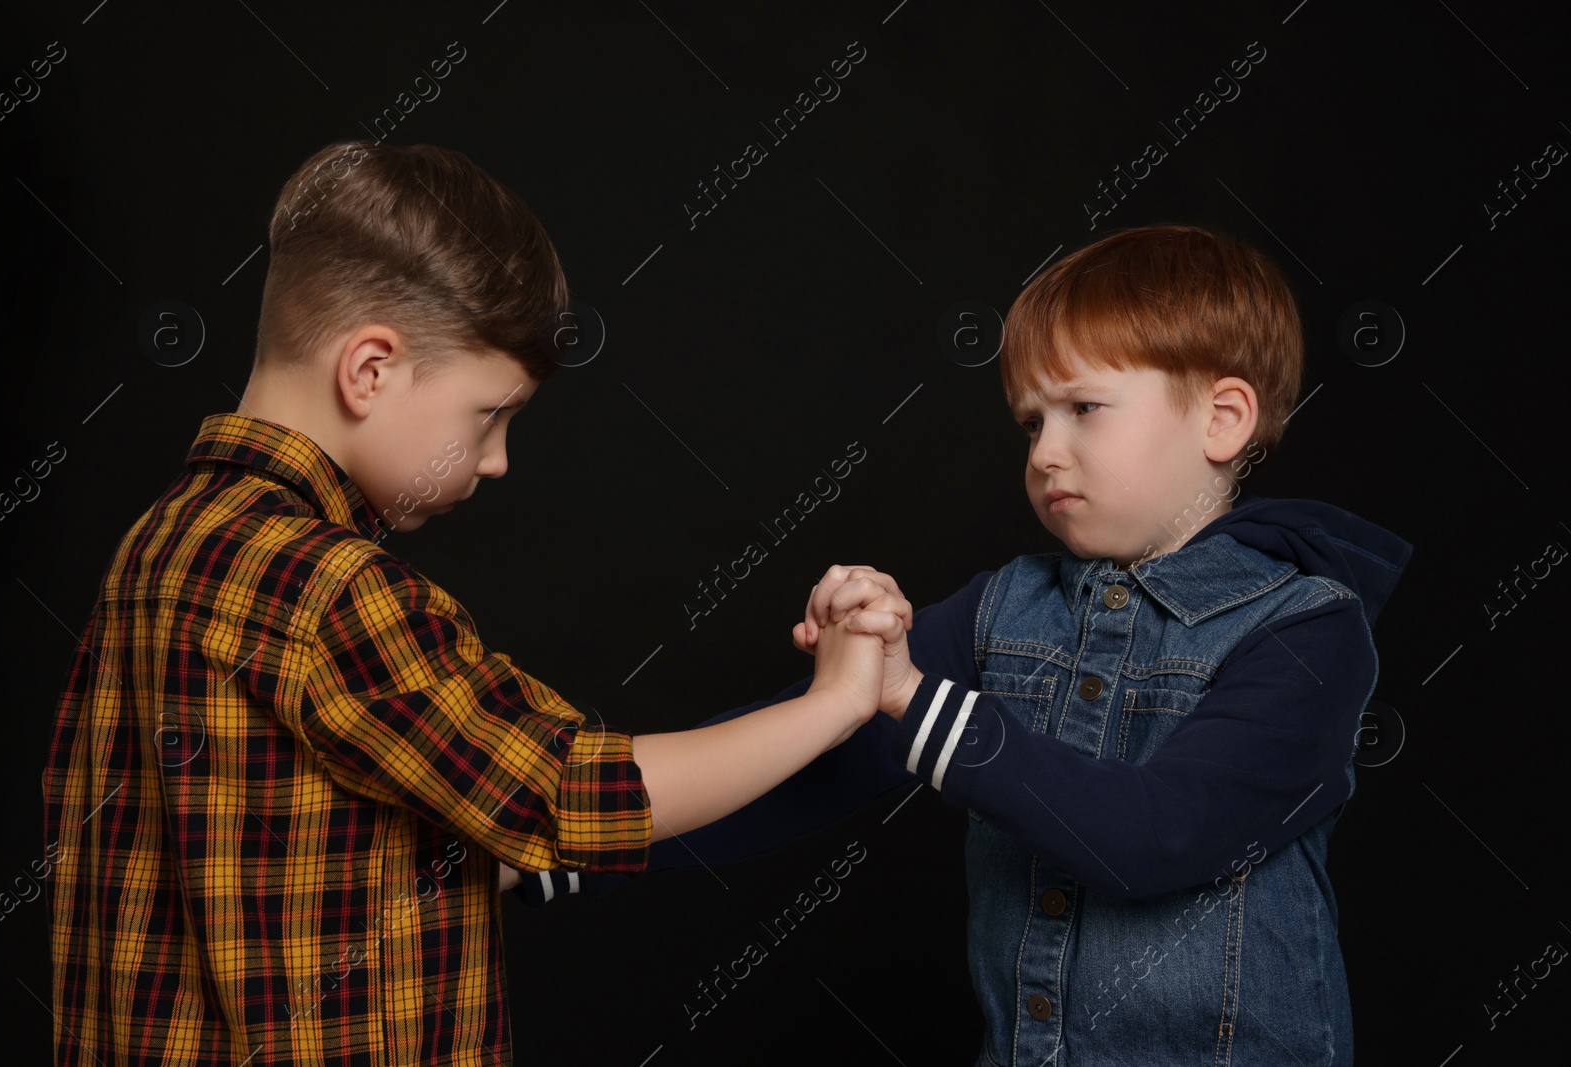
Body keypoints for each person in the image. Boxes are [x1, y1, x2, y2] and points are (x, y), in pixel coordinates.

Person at [39, 139, 906, 1067]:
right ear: (369, 369)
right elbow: (572, 794)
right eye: (489, 414)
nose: (495, 460)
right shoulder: (330, 588)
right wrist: (834, 702)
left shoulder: (158, 546)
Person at [527, 224, 1413, 1065]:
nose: (1045, 452)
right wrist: (562, 848)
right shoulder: (1006, 607)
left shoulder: (1305, 630)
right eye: (1031, 422)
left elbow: (1156, 838)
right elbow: (804, 771)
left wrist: (910, 693)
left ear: (1223, 421)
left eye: (1083, 408)